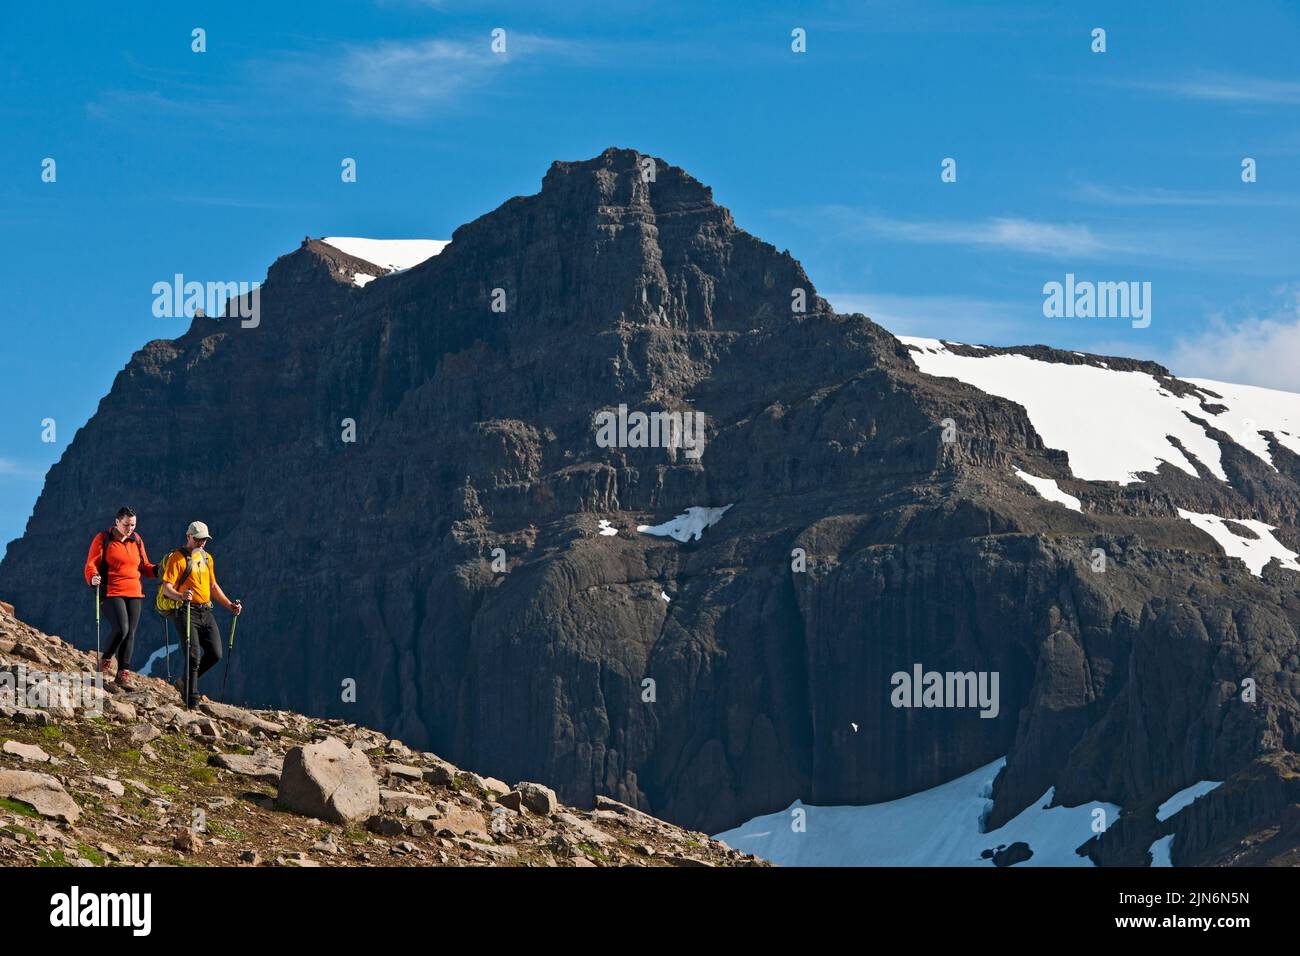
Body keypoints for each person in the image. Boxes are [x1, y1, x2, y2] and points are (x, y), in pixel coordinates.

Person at [159, 520, 241, 708]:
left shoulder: (207, 558)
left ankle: (184, 682)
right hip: (186, 611)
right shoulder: (177, 558)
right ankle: (192, 700)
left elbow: (212, 586)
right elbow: (166, 589)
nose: (201, 542)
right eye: (198, 539)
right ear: (189, 536)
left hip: (205, 610)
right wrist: (181, 596)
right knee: (194, 654)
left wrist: (230, 606)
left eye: (204, 539)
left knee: (215, 653)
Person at [83, 507, 156, 689]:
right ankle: (106, 659)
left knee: (130, 633)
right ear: (117, 522)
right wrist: (93, 577)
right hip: (111, 591)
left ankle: (123, 674)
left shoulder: (137, 540)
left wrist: (157, 570)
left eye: (133, 525)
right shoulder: (103, 539)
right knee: (121, 629)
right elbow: (91, 563)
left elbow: (144, 566)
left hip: (134, 592)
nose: (130, 528)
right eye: (127, 525)